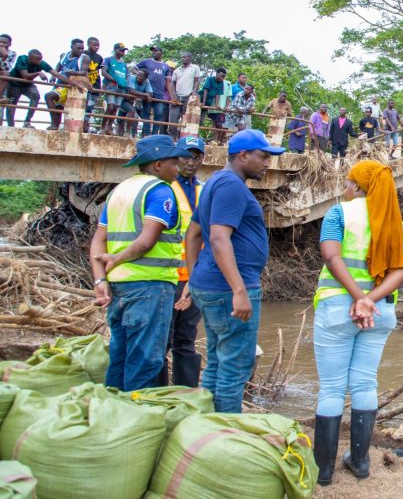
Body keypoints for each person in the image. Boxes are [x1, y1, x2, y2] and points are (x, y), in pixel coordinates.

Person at [312, 160, 403, 484]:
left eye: (347, 182)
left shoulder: (339, 213)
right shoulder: (400, 225)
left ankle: (324, 471)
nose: (345, 187)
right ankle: (360, 463)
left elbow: (331, 256)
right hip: (380, 311)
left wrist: (358, 297)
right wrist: (371, 299)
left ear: (356, 187)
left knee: (331, 389)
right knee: (365, 383)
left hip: (338, 308)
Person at [184, 129, 284, 412]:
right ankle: (226, 432)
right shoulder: (231, 186)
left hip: (212, 284)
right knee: (235, 367)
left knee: (217, 361)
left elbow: (193, 234)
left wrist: (194, 278)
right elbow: (216, 237)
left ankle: (206, 424)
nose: (267, 163)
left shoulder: (216, 181)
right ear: (243, 156)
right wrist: (239, 290)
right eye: (263, 157)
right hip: (229, 288)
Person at [90, 135, 192, 391]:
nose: (177, 169)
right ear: (158, 164)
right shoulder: (159, 190)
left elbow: (98, 241)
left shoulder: (118, 191)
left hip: (119, 288)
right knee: (146, 360)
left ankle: (113, 409)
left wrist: (100, 278)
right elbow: (147, 240)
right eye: (173, 163)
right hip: (150, 287)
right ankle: (135, 416)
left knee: (120, 357)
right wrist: (118, 259)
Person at [159, 136, 206, 387]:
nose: (190, 161)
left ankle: (185, 392)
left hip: (195, 277)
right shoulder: (164, 189)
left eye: (196, 156)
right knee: (162, 338)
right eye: (186, 156)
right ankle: (157, 393)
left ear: (202, 160)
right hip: (167, 278)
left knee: (186, 338)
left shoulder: (204, 190)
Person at [5, 50, 72, 128]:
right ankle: (11, 125)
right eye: (37, 59)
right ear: (30, 58)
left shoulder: (42, 63)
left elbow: (57, 74)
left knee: (35, 96)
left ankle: (27, 122)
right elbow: (25, 76)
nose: (39, 61)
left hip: (27, 85)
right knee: (12, 103)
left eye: (40, 59)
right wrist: (38, 73)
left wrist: (72, 83)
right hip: (14, 84)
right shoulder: (22, 59)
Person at [43, 38, 89, 130]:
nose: (81, 50)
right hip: (59, 83)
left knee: (48, 96)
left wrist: (73, 72)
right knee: (58, 107)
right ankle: (55, 125)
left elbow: (83, 72)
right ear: (72, 47)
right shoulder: (64, 55)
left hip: (70, 85)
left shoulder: (84, 58)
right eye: (78, 48)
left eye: (82, 48)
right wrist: (53, 75)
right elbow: (59, 65)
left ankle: (54, 124)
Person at [135, 45, 174, 136]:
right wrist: (141, 77)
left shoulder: (165, 66)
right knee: (146, 113)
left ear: (161, 53)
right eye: (152, 51)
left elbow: (168, 82)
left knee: (158, 114)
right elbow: (134, 69)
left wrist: (172, 97)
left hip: (159, 94)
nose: (154, 52)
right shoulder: (146, 62)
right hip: (147, 92)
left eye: (156, 51)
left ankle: (155, 134)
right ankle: (147, 134)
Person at [100, 44, 130, 135]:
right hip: (111, 86)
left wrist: (125, 83)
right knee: (110, 107)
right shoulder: (108, 59)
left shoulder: (123, 63)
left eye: (124, 50)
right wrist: (112, 79)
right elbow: (103, 72)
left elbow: (127, 76)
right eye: (121, 50)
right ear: (115, 50)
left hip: (121, 88)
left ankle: (109, 127)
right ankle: (103, 127)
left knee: (115, 108)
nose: (123, 52)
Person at [169, 52, 201, 137]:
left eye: (184, 57)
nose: (182, 58)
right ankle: (173, 137)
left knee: (186, 118)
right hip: (177, 96)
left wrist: (194, 92)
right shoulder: (177, 70)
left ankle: (183, 137)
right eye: (182, 57)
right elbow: (172, 83)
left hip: (188, 97)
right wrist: (173, 96)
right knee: (173, 119)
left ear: (190, 58)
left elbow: (197, 80)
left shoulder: (195, 68)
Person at [200, 68, 231, 144]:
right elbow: (205, 90)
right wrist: (203, 102)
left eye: (223, 77)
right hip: (201, 99)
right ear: (216, 74)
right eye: (220, 76)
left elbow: (218, 94)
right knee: (198, 119)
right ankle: (198, 137)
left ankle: (217, 140)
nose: (221, 78)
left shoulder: (222, 82)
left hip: (210, 103)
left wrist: (217, 105)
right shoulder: (210, 79)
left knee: (203, 121)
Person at [121, 68, 154, 138]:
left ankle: (145, 135)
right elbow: (131, 91)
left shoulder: (147, 82)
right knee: (127, 116)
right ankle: (128, 133)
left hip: (136, 102)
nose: (138, 77)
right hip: (124, 100)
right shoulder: (132, 78)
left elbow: (150, 93)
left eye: (140, 76)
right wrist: (145, 94)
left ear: (145, 78)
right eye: (138, 75)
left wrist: (142, 95)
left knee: (146, 116)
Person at [83, 37, 104, 132]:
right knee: (83, 105)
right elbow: (83, 71)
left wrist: (100, 88)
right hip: (84, 85)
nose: (97, 47)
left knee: (90, 108)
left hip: (95, 85)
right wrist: (87, 82)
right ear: (88, 44)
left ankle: (86, 126)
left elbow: (99, 72)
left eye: (98, 45)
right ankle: (82, 126)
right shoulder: (83, 54)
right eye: (94, 45)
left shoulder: (99, 58)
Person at [0, 34, 16, 104]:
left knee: (6, 74)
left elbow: (7, 68)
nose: (2, 44)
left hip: (2, 77)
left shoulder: (12, 53)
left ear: (10, 44)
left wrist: (4, 56)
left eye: (4, 42)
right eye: (0, 42)